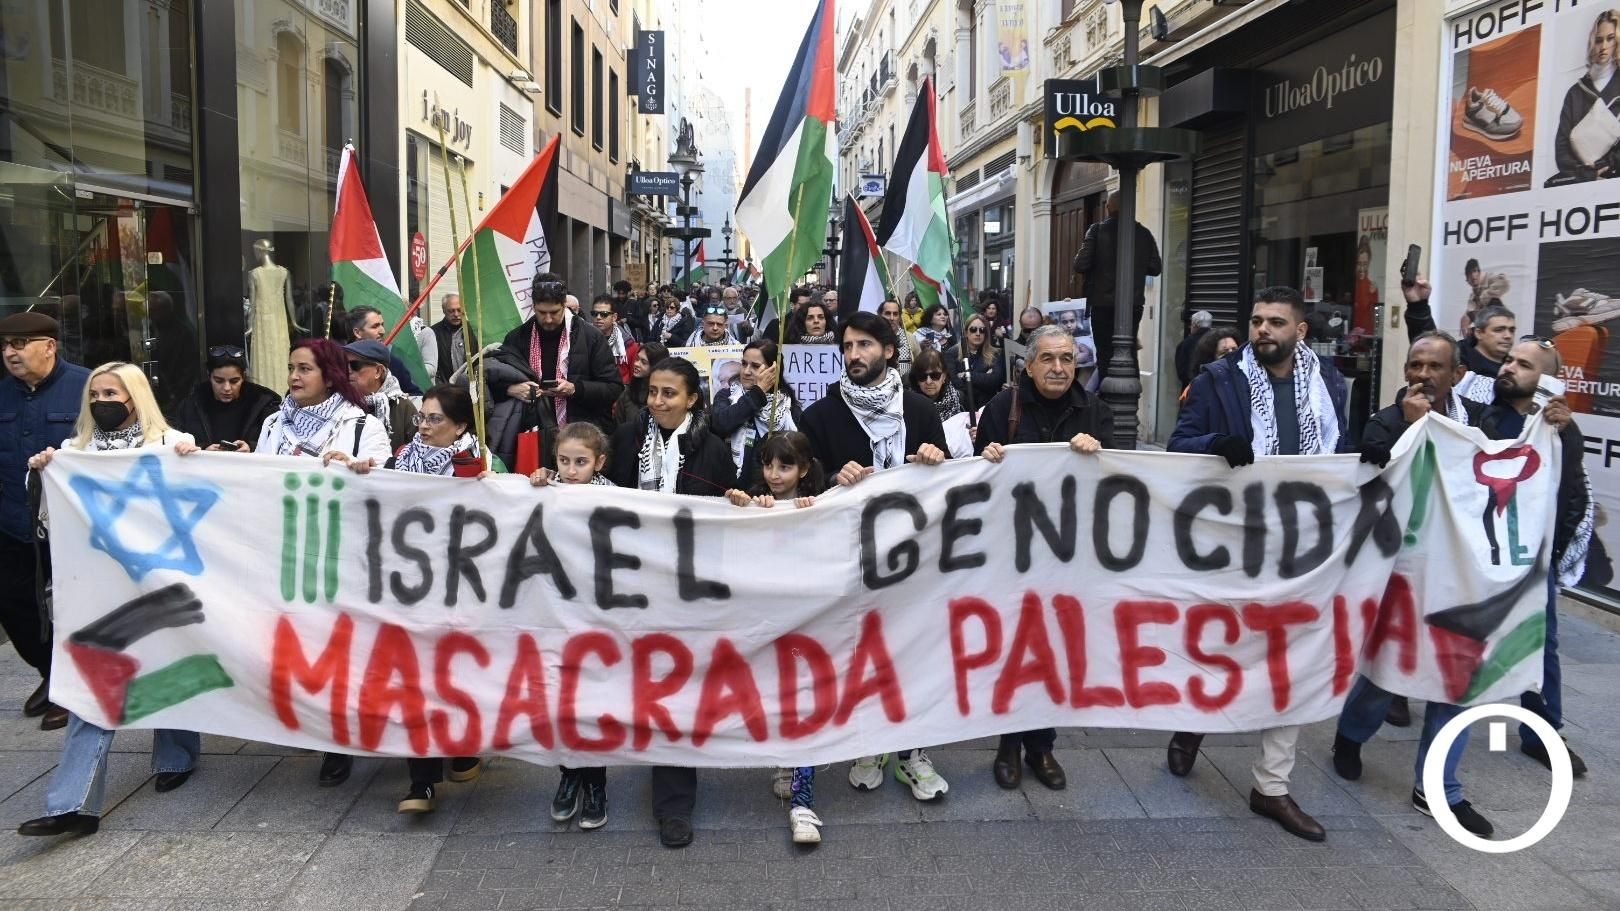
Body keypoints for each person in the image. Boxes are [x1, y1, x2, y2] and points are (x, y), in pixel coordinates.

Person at [1165, 286, 1352, 843]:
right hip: (1234, 539)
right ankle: (1193, 723)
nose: (1263, 330)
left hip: (1304, 543)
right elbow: (1180, 445)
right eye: (1256, 320)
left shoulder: (1331, 384)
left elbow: (1342, 452)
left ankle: (1271, 785)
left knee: (1292, 657)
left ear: (1301, 331)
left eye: (1275, 322)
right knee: (1224, 645)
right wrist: (1216, 444)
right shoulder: (1218, 380)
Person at [18, 362, 202, 837]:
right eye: (95, 392)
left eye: (112, 392)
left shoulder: (168, 444)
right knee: (89, 684)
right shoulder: (72, 453)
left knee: (166, 663)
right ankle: (72, 804)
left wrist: (193, 458)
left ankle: (177, 754)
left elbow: (202, 503)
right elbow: (48, 520)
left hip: (159, 586)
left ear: (136, 397)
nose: (101, 400)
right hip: (97, 593)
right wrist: (41, 474)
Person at [1334, 332, 1495, 838]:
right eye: (1415, 364)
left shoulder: (1481, 421)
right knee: (1387, 675)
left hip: (1463, 577)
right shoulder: (1388, 416)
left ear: (1457, 375)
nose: (1423, 374)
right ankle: (1350, 734)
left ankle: (1439, 789)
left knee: (1456, 681)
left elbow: (1513, 458)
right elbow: (1366, 457)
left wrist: (1554, 428)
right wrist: (1409, 428)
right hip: (1403, 574)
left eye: (1434, 366)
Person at [799, 311, 951, 802]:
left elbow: (948, 481)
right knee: (861, 651)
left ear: (888, 350)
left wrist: (933, 461)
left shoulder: (920, 411)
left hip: (913, 558)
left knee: (915, 653)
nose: (854, 355)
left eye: (864, 345)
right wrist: (829, 480)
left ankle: (912, 751)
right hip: (850, 558)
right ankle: (870, 744)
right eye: (847, 346)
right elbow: (800, 485)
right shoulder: (821, 415)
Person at [974, 325, 1114, 792]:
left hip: (1069, 555)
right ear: (1029, 365)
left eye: (1067, 359)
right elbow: (977, 479)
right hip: (1012, 552)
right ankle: (1009, 744)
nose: (1059, 368)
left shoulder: (1094, 411)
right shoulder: (1002, 409)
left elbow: (1118, 482)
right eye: (1049, 359)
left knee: (1054, 650)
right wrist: (986, 456)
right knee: (1017, 647)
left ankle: (1043, 745)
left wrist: (1098, 458)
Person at [333, 384, 486, 812]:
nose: (424, 425)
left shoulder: (478, 463)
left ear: (459, 427)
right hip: (410, 590)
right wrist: (353, 469)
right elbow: (377, 487)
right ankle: (421, 782)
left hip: (459, 591)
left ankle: (463, 747)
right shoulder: (402, 458)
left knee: (453, 677)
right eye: (422, 416)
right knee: (415, 680)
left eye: (435, 419)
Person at [605, 357, 734, 848]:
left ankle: (674, 803)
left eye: (669, 394)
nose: (658, 401)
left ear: (692, 400)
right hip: (630, 583)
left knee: (674, 690)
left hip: (685, 590)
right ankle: (587, 778)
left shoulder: (714, 451)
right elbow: (595, 494)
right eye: (653, 392)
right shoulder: (624, 440)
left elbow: (724, 520)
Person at [255, 338, 392, 788]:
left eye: (305, 369)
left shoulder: (361, 427)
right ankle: (317, 724)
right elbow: (257, 481)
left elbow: (388, 485)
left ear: (330, 375)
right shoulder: (274, 423)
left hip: (342, 554)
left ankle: (340, 741)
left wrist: (356, 467)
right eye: (291, 368)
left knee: (341, 648)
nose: (294, 377)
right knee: (300, 646)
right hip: (288, 552)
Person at [1482, 337, 1591, 779]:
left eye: (1523, 365)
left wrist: (1552, 553)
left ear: (1545, 380)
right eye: (1508, 360)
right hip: (1482, 556)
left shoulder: (1561, 430)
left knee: (1541, 645)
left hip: (1533, 561)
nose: (1509, 367)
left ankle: (1543, 732)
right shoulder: (1485, 419)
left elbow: (1572, 497)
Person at [721, 431, 827, 843]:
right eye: (768, 465)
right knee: (773, 696)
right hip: (763, 623)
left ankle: (804, 804)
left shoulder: (821, 504)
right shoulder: (752, 502)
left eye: (785, 466)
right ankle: (783, 759)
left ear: (803, 469)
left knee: (802, 700)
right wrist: (742, 509)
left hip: (807, 625)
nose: (775, 474)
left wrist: (812, 513)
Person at [521, 422, 615, 830]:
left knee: (592, 702)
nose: (571, 470)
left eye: (581, 462)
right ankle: (568, 776)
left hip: (597, 618)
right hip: (555, 616)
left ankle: (596, 782)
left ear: (599, 462)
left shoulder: (615, 498)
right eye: (563, 461)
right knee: (560, 699)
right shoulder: (546, 492)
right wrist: (535, 483)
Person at [0, 312, 89, 730]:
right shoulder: (3, 395)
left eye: (19, 344)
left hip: (70, 526)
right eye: (5, 346)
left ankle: (71, 689)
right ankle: (51, 674)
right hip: (13, 524)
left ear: (49, 346)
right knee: (14, 607)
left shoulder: (87, 387)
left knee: (71, 608)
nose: (9, 353)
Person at [484, 275, 624, 473]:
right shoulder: (517, 337)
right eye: (542, 312)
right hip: (533, 435)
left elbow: (614, 387)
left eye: (554, 312)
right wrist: (512, 389)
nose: (548, 319)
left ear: (564, 305)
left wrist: (575, 389)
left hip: (581, 439)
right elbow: (495, 381)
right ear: (533, 307)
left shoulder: (591, 337)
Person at [1072, 190, 1163, 369]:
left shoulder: (1097, 231)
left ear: (1108, 207)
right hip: (1133, 304)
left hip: (1102, 303)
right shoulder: (1144, 233)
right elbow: (1155, 268)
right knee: (1129, 352)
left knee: (1105, 354)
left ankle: (1108, 394)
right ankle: (1132, 393)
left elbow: (1080, 264)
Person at [710, 339, 802, 484]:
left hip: (772, 490)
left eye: (755, 366)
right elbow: (720, 424)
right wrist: (757, 394)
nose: (746, 371)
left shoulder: (787, 406)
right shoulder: (727, 396)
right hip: (734, 489)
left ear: (773, 370)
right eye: (744, 364)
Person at [1549, 9, 1620, 185]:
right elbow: (1561, 150)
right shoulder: (1575, 92)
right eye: (1598, 40)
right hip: (1581, 180)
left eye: (1610, 38)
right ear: (1591, 43)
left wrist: (1608, 165)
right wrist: (1585, 173)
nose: (1603, 46)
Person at [172, 345, 280, 451]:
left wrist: (251, 447)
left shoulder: (263, 405)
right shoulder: (190, 407)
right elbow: (175, 442)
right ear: (209, 376)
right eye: (219, 381)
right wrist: (202, 449)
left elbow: (279, 442)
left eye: (234, 381)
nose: (227, 388)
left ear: (243, 377)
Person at [345, 339, 420, 451]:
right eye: (343, 365)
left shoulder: (403, 407)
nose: (348, 370)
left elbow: (416, 453)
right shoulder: (337, 402)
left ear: (378, 371)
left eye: (355, 365)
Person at [346, 304, 423, 396]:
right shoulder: (336, 362)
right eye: (375, 326)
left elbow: (415, 396)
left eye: (382, 325)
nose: (382, 331)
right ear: (357, 333)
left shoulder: (394, 364)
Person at [1457, 304, 1515, 403]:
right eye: (1499, 330)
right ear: (1479, 333)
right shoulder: (1455, 359)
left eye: (1512, 330)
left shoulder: (1516, 367)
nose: (1508, 336)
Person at [1181, 327, 1242, 403]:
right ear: (1211, 358)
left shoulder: (1246, 382)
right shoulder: (1199, 387)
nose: (1232, 355)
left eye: (1234, 349)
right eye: (1224, 353)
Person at [613, 342, 668, 426]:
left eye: (643, 362)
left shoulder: (666, 399)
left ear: (656, 366)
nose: (636, 364)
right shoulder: (628, 393)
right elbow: (618, 425)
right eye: (637, 359)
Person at [591, 293, 641, 384]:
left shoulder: (630, 346)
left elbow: (634, 379)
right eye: (594, 314)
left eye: (604, 314)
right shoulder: (584, 341)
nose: (598, 318)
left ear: (614, 317)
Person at [957, 312, 1006, 405]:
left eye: (982, 330)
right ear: (966, 332)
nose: (978, 333)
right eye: (973, 329)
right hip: (963, 409)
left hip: (987, 407)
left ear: (986, 334)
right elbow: (957, 384)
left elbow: (994, 381)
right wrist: (984, 378)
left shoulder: (996, 353)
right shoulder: (954, 353)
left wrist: (966, 375)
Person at [430, 294, 477, 385]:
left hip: (472, 387)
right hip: (445, 389)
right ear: (444, 310)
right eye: (451, 311)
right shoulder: (433, 332)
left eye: (459, 310)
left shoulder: (474, 330)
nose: (456, 314)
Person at [878, 298, 918, 380]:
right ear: (880, 315)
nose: (892, 318)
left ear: (900, 317)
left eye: (895, 314)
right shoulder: (873, 337)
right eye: (888, 313)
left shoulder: (910, 338)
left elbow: (920, 365)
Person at [1175, 310, 1214, 390]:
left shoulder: (1185, 344)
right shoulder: (1218, 341)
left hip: (1191, 389)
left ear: (1195, 326)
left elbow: (1181, 372)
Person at [615, 279, 648, 343]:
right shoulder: (613, 303)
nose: (621, 296)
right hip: (616, 335)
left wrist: (628, 319)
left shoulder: (634, 304)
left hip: (631, 336)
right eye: (619, 293)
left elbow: (640, 322)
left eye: (623, 294)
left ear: (628, 293)